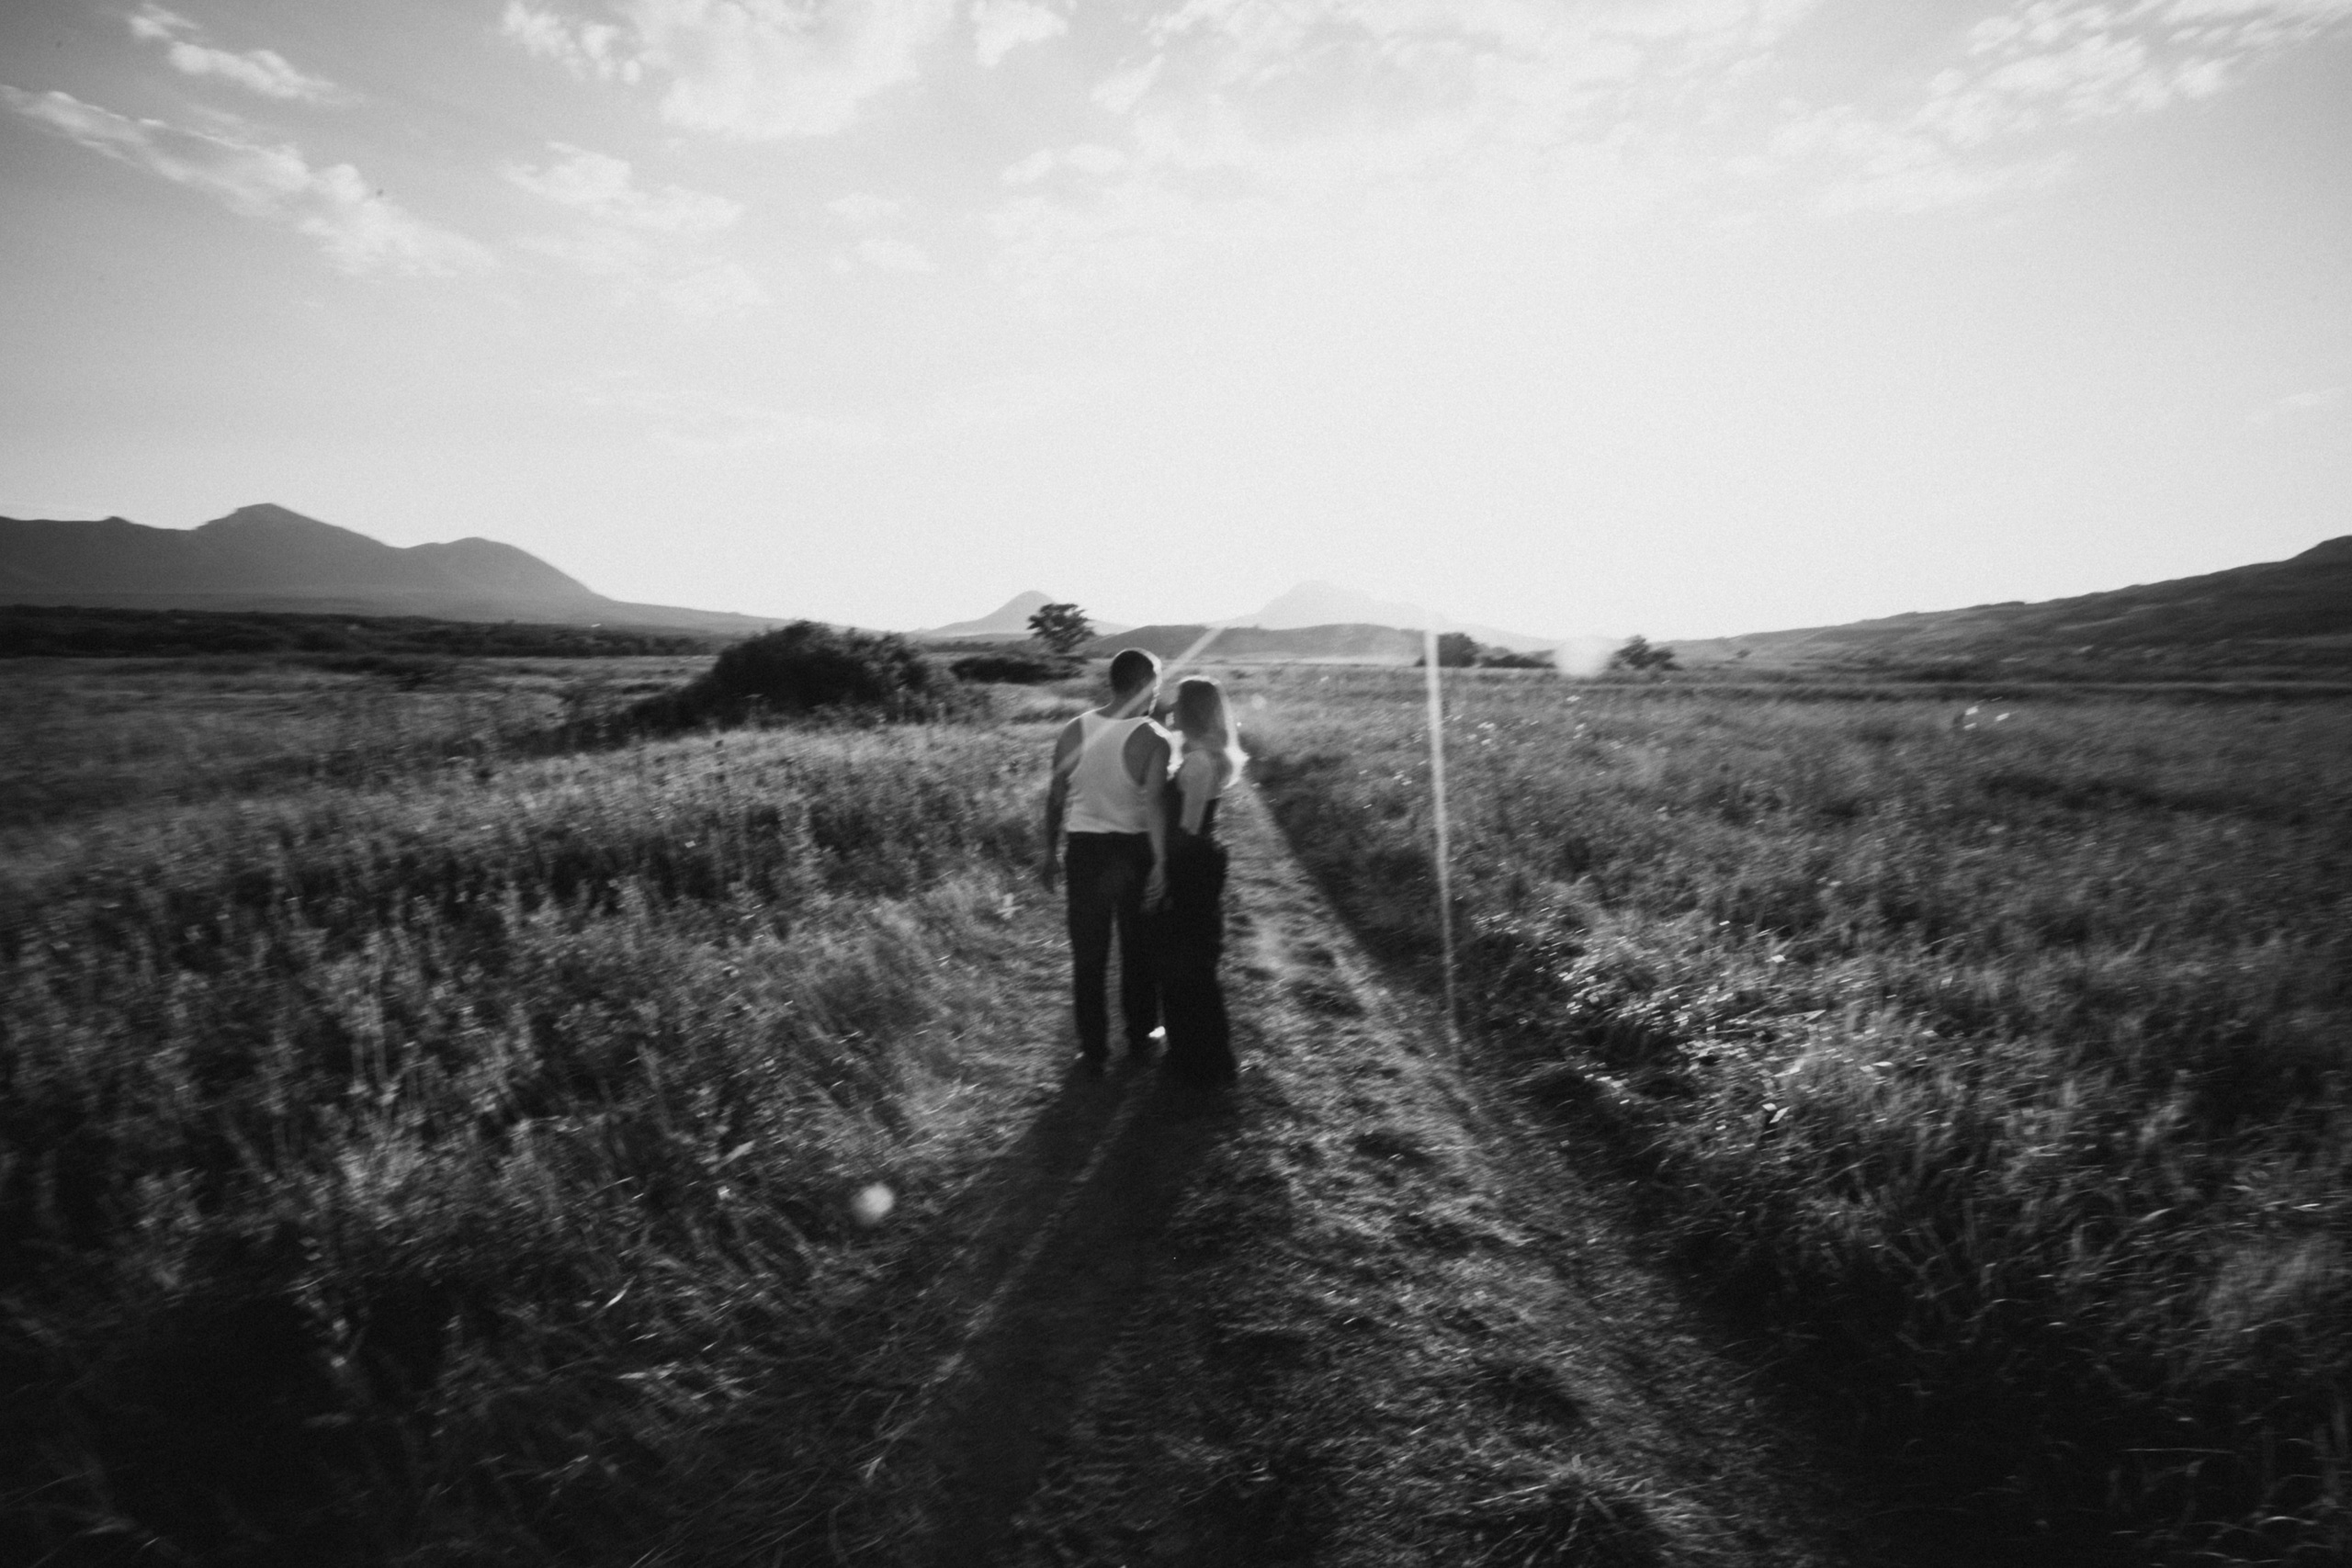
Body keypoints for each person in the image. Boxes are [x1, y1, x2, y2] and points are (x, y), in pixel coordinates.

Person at [1040, 649, 1171, 1069]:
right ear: (1139, 684)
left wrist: (1049, 852)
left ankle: (1093, 1048)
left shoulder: (1073, 729)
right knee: (1138, 950)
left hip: (1083, 852)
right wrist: (1162, 863)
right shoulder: (1153, 737)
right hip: (1132, 852)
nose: (1158, 692)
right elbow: (1154, 807)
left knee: (1089, 953)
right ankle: (1139, 1035)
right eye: (1156, 683)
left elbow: (1055, 798)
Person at [1153, 676, 1244, 1086]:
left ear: (1190, 710)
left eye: (1178, 703)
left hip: (1189, 863)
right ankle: (1199, 1055)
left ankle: (1199, 1059)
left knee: (1186, 963)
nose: (1172, 708)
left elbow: (1188, 827)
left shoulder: (1200, 761)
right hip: (1201, 860)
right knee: (1195, 961)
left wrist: (1162, 871)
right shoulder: (1207, 754)